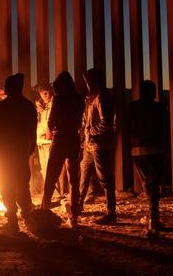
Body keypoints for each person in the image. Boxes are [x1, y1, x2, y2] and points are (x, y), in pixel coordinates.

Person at [0, 73, 36, 233]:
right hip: (20, 152)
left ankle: (13, 221)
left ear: (11, 87)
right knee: (22, 185)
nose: (5, 88)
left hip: (4, 154)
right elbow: (32, 131)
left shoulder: (2, 108)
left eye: (6, 85)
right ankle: (29, 219)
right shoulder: (28, 106)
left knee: (6, 186)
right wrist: (29, 149)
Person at [40, 71, 85, 228]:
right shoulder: (79, 99)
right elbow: (80, 121)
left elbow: (51, 121)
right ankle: (74, 217)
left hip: (59, 140)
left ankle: (43, 210)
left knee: (51, 177)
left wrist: (49, 131)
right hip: (73, 139)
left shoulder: (59, 99)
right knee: (73, 179)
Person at [127, 80, 167, 238]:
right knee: (154, 185)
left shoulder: (133, 107)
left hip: (138, 151)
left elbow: (129, 127)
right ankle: (154, 219)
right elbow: (163, 128)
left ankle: (154, 219)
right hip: (156, 149)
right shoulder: (159, 108)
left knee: (147, 186)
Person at [80, 68, 117, 224]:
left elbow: (107, 122)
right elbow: (87, 120)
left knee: (105, 178)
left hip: (100, 145)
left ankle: (111, 212)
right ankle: (78, 204)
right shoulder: (92, 98)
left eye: (89, 80)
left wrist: (90, 131)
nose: (87, 84)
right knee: (84, 174)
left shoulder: (102, 97)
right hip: (91, 145)